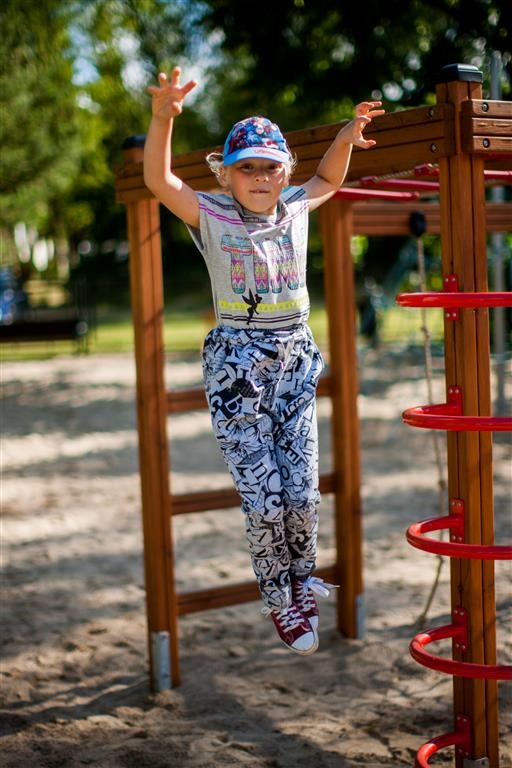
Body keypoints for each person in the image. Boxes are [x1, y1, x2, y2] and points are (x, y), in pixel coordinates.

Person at [144, 67, 384, 656]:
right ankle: (278, 597)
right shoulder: (212, 213)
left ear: (285, 172)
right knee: (265, 498)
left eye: (270, 167)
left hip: (294, 362)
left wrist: (345, 137)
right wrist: (163, 118)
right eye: (246, 167)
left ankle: (301, 583)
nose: (259, 177)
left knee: (302, 495)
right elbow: (159, 179)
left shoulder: (296, 205)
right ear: (225, 174)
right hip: (238, 370)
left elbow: (328, 177)